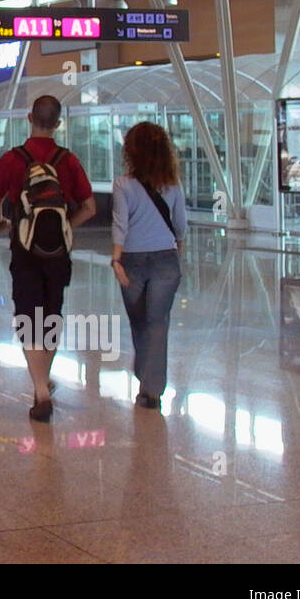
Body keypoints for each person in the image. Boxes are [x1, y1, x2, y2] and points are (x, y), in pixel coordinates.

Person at [0, 95, 96, 422]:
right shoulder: (68, 160)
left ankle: (41, 390)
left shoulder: (12, 159)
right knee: (51, 314)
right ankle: (42, 381)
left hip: (24, 249)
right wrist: (67, 227)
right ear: (58, 123)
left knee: (28, 315)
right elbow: (90, 207)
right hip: (58, 253)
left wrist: (1, 223)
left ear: (29, 117)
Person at [111, 122, 187, 412]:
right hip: (166, 259)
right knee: (158, 322)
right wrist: (177, 253)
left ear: (131, 151)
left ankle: (146, 377)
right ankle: (152, 387)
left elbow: (120, 223)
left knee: (140, 322)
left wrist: (116, 259)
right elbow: (181, 226)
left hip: (132, 261)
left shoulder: (122, 185)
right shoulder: (173, 185)